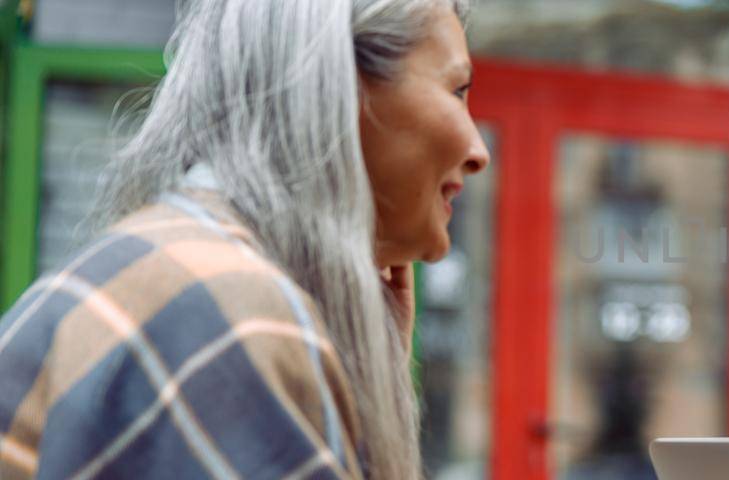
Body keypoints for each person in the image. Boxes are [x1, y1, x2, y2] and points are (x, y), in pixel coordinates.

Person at [0, 0, 487, 478]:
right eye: (458, 91)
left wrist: (372, 377)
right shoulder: (232, 306)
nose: (477, 150)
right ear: (335, 85)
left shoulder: (189, 265)